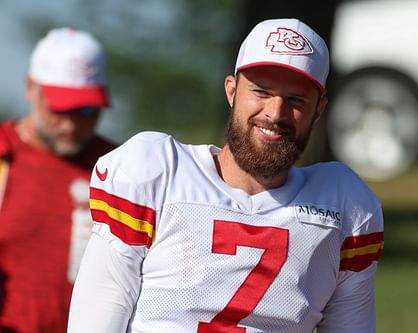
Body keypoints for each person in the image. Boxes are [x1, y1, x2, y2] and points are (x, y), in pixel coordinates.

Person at [68, 18, 384, 333]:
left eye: (296, 100)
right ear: (232, 91)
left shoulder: (346, 207)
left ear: (319, 109)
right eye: (261, 92)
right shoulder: (157, 174)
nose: (275, 113)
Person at [0, 27, 116, 332]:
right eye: (60, 107)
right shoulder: (3, 156)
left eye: (87, 110)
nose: (71, 123)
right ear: (30, 88)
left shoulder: (121, 169)